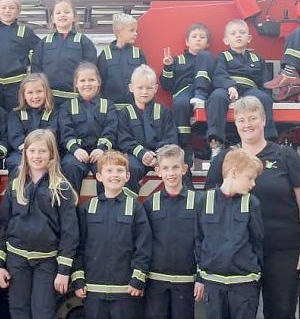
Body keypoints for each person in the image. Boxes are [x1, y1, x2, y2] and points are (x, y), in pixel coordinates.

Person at [204, 96, 300, 319]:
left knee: (280, 317)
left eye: (253, 118)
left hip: (282, 249)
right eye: (242, 120)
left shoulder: (285, 156)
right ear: (235, 124)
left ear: (264, 120)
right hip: (237, 254)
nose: (248, 124)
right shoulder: (224, 159)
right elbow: (212, 204)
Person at [0, 129, 79, 319]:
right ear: (25, 153)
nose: (37, 156)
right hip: (17, 262)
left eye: (43, 151)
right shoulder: (14, 187)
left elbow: (70, 232)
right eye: (32, 151)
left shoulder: (61, 188)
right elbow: (2, 227)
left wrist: (63, 270)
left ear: (52, 154)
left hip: (46, 263)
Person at [72, 150, 151, 319]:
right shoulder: (88, 208)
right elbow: (79, 247)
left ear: (128, 176)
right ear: (99, 176)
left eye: (120, 171)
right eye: (109, 171)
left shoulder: (135, 207)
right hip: (94, 290)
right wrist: (79, 280)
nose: (115, 175)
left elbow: (143, 247)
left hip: (125, 290)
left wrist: (137, 280)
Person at [196, 149, 264, 319]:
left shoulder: (252, 203)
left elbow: (258, 242)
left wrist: (253, 272)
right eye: (250, 177)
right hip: (214, 285)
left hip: (244, 285)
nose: (253, 184)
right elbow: (198, 241)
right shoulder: (204, 201)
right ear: (233, 173)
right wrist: (201, 276)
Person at [143, 145, 202, 319]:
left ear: (184, 169)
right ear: (157, 171)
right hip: (155, 281)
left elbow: (204, 242)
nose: (170, 173)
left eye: (175, 168)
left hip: (185, 282)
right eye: (165, 168)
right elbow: (143, 243)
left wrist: (200, 276)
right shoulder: (150, 203)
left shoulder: (198, 202)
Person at [194, 19, 277, 157]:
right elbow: (218, 76)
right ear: (226, 40)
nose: (238, 35)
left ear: (249, 38)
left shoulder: (257, 59)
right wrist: (230, 86)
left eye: (242, 32)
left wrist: (267, 95)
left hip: (250, 90)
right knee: (216, 98)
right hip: (227, 89)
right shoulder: (222, 57)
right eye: (233, 33)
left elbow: (265, 83)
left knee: (265, 99)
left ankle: (267, 143)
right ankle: (216, 144)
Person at [117, 65, 178, 192]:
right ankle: (130, 206)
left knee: (180, 169)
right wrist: (142, 153)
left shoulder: (164, 112)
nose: (144, 92)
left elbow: (171, 138)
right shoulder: (124, 113)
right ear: (131, 88)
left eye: (149, 88)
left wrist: (157, 157)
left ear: (155, 89)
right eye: (140, 88)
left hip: (161, 157)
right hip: (136, 158)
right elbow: (124, 139)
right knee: (129, 168)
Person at [59, 62, 118, 193]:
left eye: (91, 80)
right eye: (82, 80)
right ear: (76, 84)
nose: (87, 84)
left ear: (99, 82)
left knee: (108, 169)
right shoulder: (66, 107)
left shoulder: (108, 105)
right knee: (70, 166)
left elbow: (111, 130)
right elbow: (65, 133)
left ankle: (105, 208)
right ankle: (71, 209)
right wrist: (75, 150)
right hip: (76, 154)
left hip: (101, 153)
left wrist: (101, 149)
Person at [31, 0, 97, 107]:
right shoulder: (44, 43)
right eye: (58, 13)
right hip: (50, 99)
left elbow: (91, 68)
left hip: (75, 99)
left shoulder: (83, 42)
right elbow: (36, 69)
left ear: (74, 17)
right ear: (52, 18)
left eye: (67, 12)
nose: (62, 15)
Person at [0, 0, 41, 111]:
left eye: (12, 8)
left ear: (18, 10)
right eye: (3, 7)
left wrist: (27, 60)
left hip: (17, 84)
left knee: (16, 114)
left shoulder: (25, 31)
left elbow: (39, 49)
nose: (7, 11)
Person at [162, 23, 213, 164]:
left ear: (208, 43)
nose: (198, 39)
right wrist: (168, 67)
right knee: (180, 103)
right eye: (194, 36)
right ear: (187, 41)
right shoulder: (177, 60)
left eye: (202, 37)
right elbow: (166, 85)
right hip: (183, 93)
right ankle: (184, 145)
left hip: (204, 93)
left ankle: (210, 144)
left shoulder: (209, 60)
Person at [6, 73, 60, 178]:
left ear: (46, 93)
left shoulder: (54, 113)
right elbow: (15, 137)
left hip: (46, 153)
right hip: (21, 153)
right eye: (30, 93)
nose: (35, 96)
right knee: (16, 163)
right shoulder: (16, 114)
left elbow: (53, 134)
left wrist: (40, 153)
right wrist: (30, 153)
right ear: (23, 95)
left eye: (39, 92)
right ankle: (18, 192)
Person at [95, 13, 145, 109]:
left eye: (136, 30)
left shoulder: (138, 54)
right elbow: (100, 84)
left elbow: (145, 81)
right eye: (131, 30)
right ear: (119, 32)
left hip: (134, 108)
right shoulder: (105, 55)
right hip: (112, 108)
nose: (136, 33)